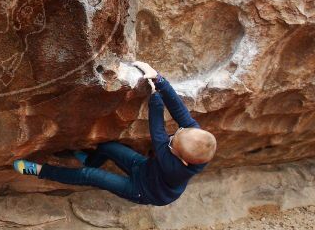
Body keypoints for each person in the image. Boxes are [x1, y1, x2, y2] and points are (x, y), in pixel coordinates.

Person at [13, 61, 216, 206]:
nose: (175, 135)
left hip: (143, 190)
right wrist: (159, 79)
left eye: (173, 143)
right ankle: (90, 159)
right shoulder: (195, 140)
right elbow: (180, 111)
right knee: (107, 147)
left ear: (184, 162)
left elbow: (158, 133)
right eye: (180, 130)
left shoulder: (174, 168)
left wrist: (156, 98)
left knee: (90, 176)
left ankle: (40, 171)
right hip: (145, 169)